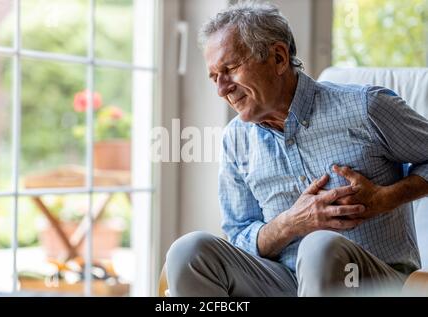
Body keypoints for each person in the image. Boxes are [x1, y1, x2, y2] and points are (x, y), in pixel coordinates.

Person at [166, 1, 428, 296]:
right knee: (188, 252)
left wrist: (387, 197)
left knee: (320, 245)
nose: (221, 88)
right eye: (214, 77)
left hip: (369, 282)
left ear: (278, 58)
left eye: (230, 68)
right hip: (282, 282)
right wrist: (289, 224)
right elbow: (239, 235)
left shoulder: (366, 108)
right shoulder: (236, 139)